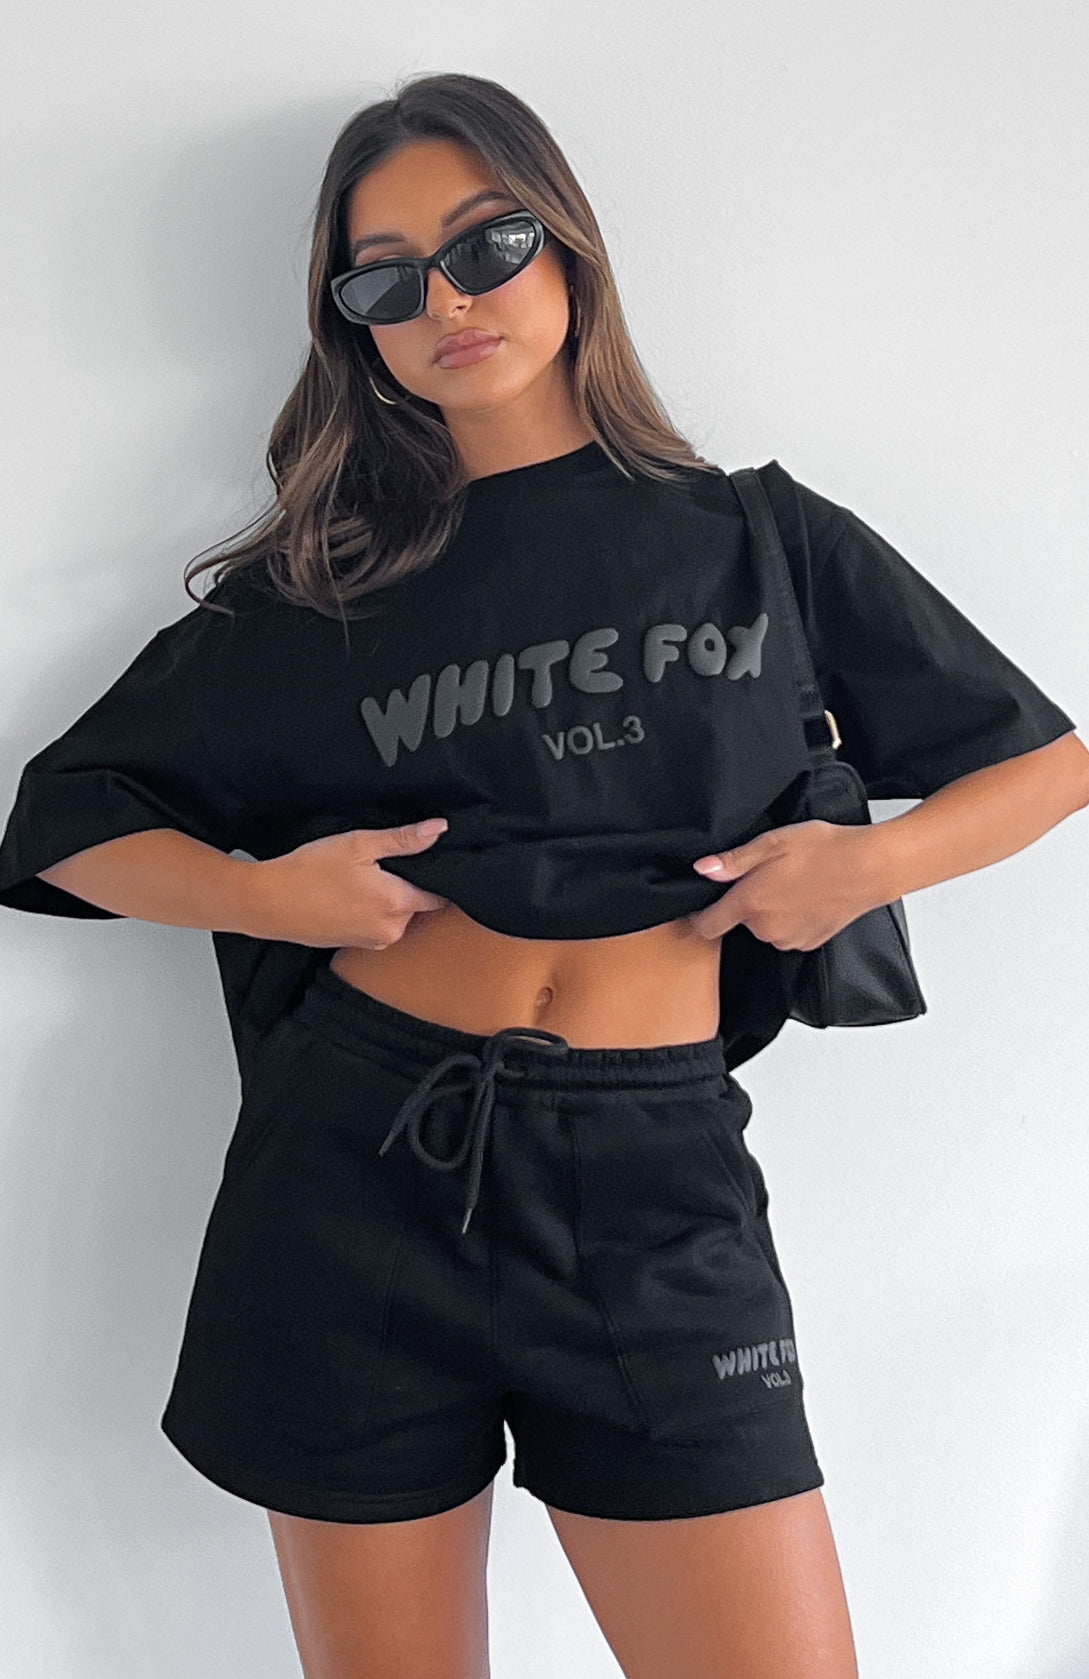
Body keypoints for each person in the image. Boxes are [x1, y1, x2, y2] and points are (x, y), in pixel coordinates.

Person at [1, 71, 1086, 1679]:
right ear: (352, 327)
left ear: (567, 245)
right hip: (356, 1166)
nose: (445, 301)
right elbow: (62, 819)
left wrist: (858, 869)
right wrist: (274, 896)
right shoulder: (321, 595)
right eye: (383, 280)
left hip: (655, 1185)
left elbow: (1044, 762)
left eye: (484, 244)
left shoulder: (756, 540)